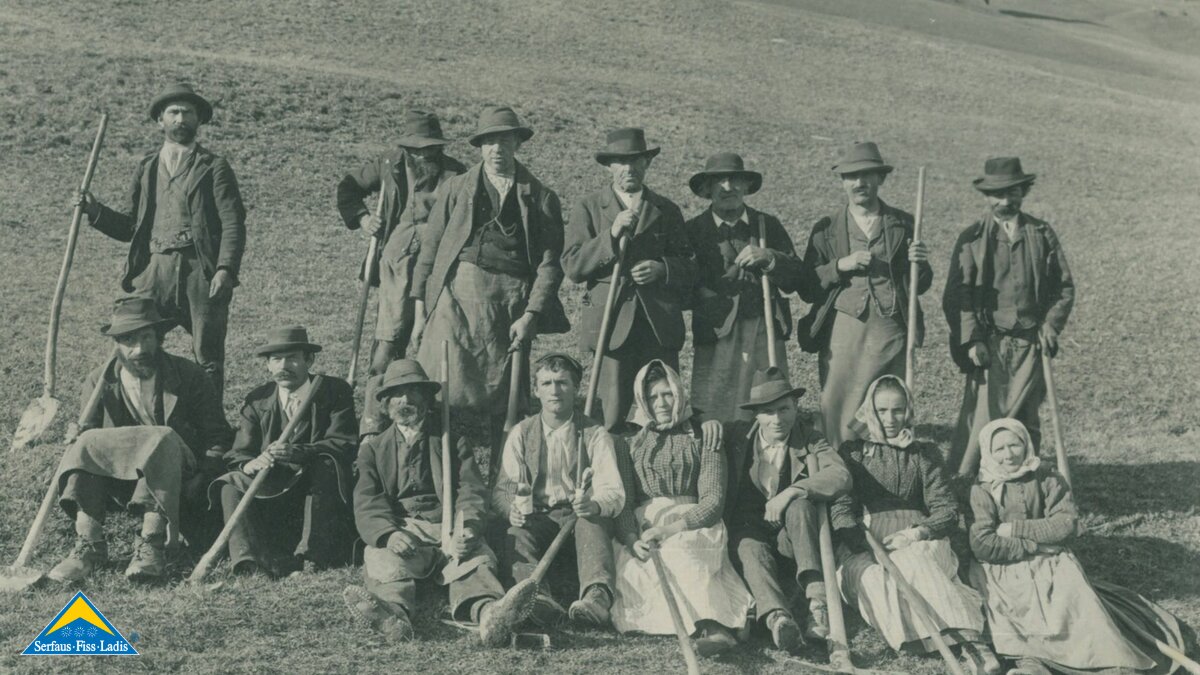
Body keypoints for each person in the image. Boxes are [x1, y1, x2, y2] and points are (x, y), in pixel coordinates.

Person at [409, 105, 570, 452]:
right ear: (480, 147)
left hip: (510, 303)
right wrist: (421, 311)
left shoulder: (541, 197)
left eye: (505, 140)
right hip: (455, 297)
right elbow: (430, 252)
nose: (497, 149)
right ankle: (437, 467)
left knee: (507, 397)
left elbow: (549, 264)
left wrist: (531, 316)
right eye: (490, 141)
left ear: (518, 144)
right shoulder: (456, 189)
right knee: (439, 381)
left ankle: (506, 480)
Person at [968, 418, 1184, 675]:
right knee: (1019, 609)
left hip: (1053, 560)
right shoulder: (982, 488)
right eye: (999, 449)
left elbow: (1065, 525)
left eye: (1014, 445)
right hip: (1003, 566)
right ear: (988, 453)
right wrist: (1033, 545)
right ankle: (1033, 664)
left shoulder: (1047, 476)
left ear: (1026, 444)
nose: (1008, 455)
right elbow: (983, 543)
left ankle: (1110, 664)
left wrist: (1015, 529)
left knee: (1073, 604)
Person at [47, 297, 230, 584]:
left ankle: (151, 543)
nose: (140, 349)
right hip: (123, 476)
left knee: (161, 438)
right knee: (87, 441)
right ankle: (88, 546)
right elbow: (91, 435)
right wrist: (76, 434)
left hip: (180, 471)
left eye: (147, 337)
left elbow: (218, 436)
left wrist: (203, 476)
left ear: (160, 338)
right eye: (130, 340)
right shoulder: (100, 381)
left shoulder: (189, 375)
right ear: (116, 344)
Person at [80, 83, 247, 399]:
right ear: (160, 120)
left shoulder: (214, 166)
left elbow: (233, 223)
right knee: (137, 343)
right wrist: (94, 210)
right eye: (173, 112)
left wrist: (225, 269)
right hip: (154, 271)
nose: (181, 118)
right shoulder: (146, 167)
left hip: (201, 274)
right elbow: (131, 226)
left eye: (188, 112)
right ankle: (145, 415)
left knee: (208, 354)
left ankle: (211, 433)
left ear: (199, 121)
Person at [830, 376, 1000, 674]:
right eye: (882, 411)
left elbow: (946, 509)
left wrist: (916, 533)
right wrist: (862, 543)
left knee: (916, 561)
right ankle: (924, 640)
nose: (890, 419)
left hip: (916, 534)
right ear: (870, 411)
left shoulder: (924, 452)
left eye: (897, 410)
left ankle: (972, 643)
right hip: (866, 539)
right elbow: (842, 509)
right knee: (871, 578)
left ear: (908, 410)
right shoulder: (853, 453)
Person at [344, 360, 504, 641]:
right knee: (385, 562)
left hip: (448, 526)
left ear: (427, 400)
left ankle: (489, 614)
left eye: (413, 392)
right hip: (404, 529)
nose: (405, 400)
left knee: (475, 562)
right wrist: (389, 534)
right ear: (386, 404)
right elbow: (368, 500)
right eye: (396, 394)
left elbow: (472, 490)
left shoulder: (453, 442)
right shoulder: (373, 450)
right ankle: (394, 616)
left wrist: (466, 528)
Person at [335, 110, 466, 435]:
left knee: (430, 339)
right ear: (407, 147)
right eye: (418, 148)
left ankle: (425, 422)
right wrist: (364, 219)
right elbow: (348, 189)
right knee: (389, 342)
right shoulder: (388, 164)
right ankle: (372, 425)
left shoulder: (457, 174)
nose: (424, 154)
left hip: (438, 265)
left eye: (431, 147)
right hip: (396, 264)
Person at [611, 360, 753, 657]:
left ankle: (714, 627)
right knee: (637, 568)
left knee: (684, 551)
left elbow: (713, 502)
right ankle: (708, 624)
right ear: (642, 400)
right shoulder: (629, 443)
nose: (661, 403)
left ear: (680, 394)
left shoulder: (704, 435)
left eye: (668, 394)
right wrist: (630, 539)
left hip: (694, 522)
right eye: (653, 397)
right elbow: (623, 501)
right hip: (644, 527)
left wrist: (670, 528)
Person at [943, 158, 1075, 474]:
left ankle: (1026, 483)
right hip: (990, 343)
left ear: (1023, 191)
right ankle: (968, 486)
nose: (1005, 201)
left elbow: (1064, 287)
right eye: (997, 194)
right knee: (983, 416)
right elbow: (957, 295)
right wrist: (973, 339)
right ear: (986, 196)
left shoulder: (1041, 233)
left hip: (1031, 342)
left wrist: (1050, 325)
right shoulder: (972, 238)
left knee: (1026, 416)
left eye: (1012, 192)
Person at [796, 142, 931, 447]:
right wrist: (840, 265)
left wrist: (919, 263)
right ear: (843, 182)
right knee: (839, 397)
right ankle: (841, 464)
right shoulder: (827, 228)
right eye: (852, 176)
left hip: (890, 325)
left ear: (880, 179)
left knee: (888, 399)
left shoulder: (904, 224)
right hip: (845, 324)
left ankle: (888, 464)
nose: (860, 183)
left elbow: (920, 284)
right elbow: (806, 285)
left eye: (867, 175)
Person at [562, 128, 697, 432]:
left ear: (646, 164)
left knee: (663, 409)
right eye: (621, 162)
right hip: (611, 325)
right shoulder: (590, 207)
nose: (629, 169)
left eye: (636, 161)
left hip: (658, 326)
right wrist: (609, 236)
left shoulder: (666, 210)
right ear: (609, 166)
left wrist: (662, 269)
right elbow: (572, 264)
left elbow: (690, 266)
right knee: (611, 416)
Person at [490, 353, 626, 631]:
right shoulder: (521, 433)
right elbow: (502, 490)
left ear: (575, 388)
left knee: (593, 522)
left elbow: (613, 491)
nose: (555, 390)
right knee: (516, 534)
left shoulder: (594, 433)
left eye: (563, 383)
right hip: (537, 517)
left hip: (578, 519)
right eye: (547, 383)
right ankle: (537, 599)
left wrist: (594, 505)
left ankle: (596, 599)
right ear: (537, 390)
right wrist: (511, 510)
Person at [211, 327, 357, 576]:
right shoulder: (257, 400)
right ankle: (249, 560)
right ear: (268, 365)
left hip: (318, 485)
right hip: (274, 486)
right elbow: (238, 453)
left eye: (292, 358)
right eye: (276, 360)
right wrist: (251, 463)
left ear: (308, 361)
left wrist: (298, 452)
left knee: (325, 465)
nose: (283, 366)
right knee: (229, 483)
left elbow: (344, 443)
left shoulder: (334, 392)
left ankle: (311, 556)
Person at [723, 367, 851, 650]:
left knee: (800, 505)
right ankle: (779, 620)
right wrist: (707, 426)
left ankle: (818, 603)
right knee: (748, 547)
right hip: (750, 531)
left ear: (795, 407)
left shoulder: (809, 438)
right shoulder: (736, 437)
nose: (777, 419)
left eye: (784, 409)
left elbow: (840, 475)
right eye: (768, 412)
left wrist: (793, 490)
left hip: (792, 538)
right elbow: (696, 432)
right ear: (755, 414)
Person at [685, 153, 812, 422]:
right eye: (719, 182)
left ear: (745, 186)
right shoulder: (694, 230)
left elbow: (798, 278)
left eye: (735, 180)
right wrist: (706, 293)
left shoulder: (767, 225)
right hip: (716, 331)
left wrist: (770, 258)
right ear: (708, 190)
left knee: (767, 402)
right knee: (713, 408)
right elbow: (683, 285)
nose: (728, 187)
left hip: (763, 330)